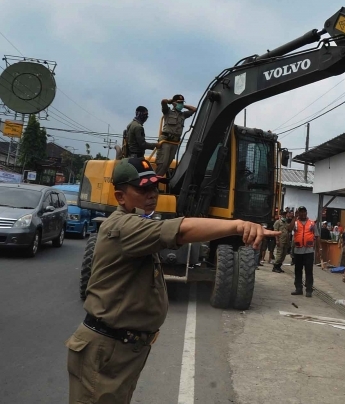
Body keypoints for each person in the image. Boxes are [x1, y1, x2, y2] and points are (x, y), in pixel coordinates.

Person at [65, 157, 279, 404]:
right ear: (120, 197)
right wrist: (238, 226)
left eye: (155, 187)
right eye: (142, 189)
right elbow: (181, 230)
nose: (151, 194)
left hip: (121, 350)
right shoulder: (124, 226)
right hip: (106, 351)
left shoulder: (137, 223)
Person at [155, 94, 197, 176]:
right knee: (162, 164)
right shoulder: (168, 111)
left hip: (175, 143)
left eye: (182, 102)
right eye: (179, 102)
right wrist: (170, 101)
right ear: (174, 103)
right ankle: (152, 185)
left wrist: (183, 105)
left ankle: (155, 183)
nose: (180, 104)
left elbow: (194, 109)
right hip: (166, 141)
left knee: (167, 165)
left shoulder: (183, 115)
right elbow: (163, 102)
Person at [288, 206, 319, 297]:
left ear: (306, 212)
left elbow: (317, 236)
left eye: (303, 212)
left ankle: (309, 290)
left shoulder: (312, 223)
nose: (302, 213)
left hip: (309, 251)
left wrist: (319, 250)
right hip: (298, 251)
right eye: (300, 212)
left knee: (309, 271)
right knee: (298, 271)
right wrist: (294, 217)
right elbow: (289, 229)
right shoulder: (296, 222)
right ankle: (298, 289)